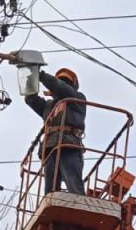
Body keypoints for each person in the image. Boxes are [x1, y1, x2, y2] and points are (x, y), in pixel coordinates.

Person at [12, 59, 87, 196]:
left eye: (67, 83)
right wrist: (30, 76)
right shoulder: (49, 106)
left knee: (73, 184)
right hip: (50, 147)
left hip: (69, 144)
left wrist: (41, 75)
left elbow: (60, 88)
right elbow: (31, 99)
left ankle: (79, 205)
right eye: (62, 81)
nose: (63, 84)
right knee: (50, 191)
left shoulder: (77, 100)